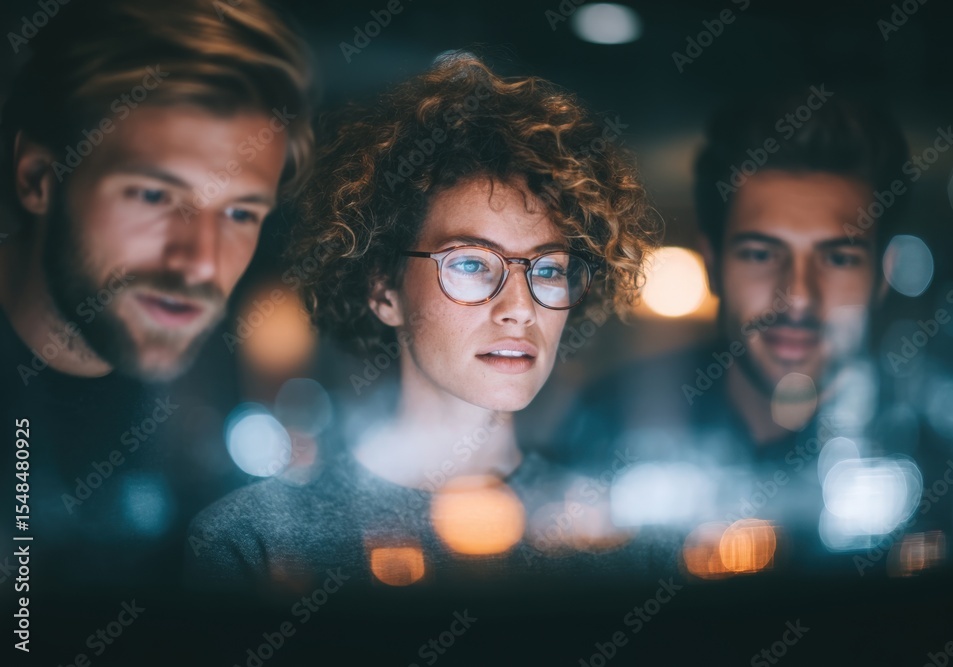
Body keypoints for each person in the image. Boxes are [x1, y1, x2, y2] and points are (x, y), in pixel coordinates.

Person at [185, 54, 661, 594]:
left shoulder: (612, 536)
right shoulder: (256, 540)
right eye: (471, 263)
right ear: (383, 290)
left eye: (549, 270)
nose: (520, 308)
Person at [0, 0, 313, 589]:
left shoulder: (221, 387)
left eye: (240, 212)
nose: (199, 260)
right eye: (151, 196)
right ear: (39, 178)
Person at [554, 89, 915, 553]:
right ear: (713, 264)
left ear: (882, 276)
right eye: (762, 254)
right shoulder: (609, 422)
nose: (799, 296)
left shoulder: (926, 447)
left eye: (839, 258)